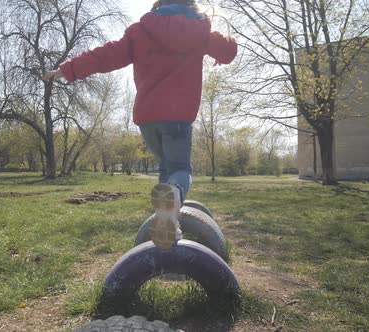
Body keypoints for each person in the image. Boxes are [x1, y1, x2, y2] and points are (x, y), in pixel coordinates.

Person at [43, 0, 237, 249]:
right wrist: (222, 38)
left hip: (148, 118)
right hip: (178, 116)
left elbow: (105, 55)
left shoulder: (141, 30)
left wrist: (67, 69)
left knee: (167, 168)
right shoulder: (199, 30)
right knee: (180, 169)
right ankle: (174, 197)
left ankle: (168, 222)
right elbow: (228, 52)